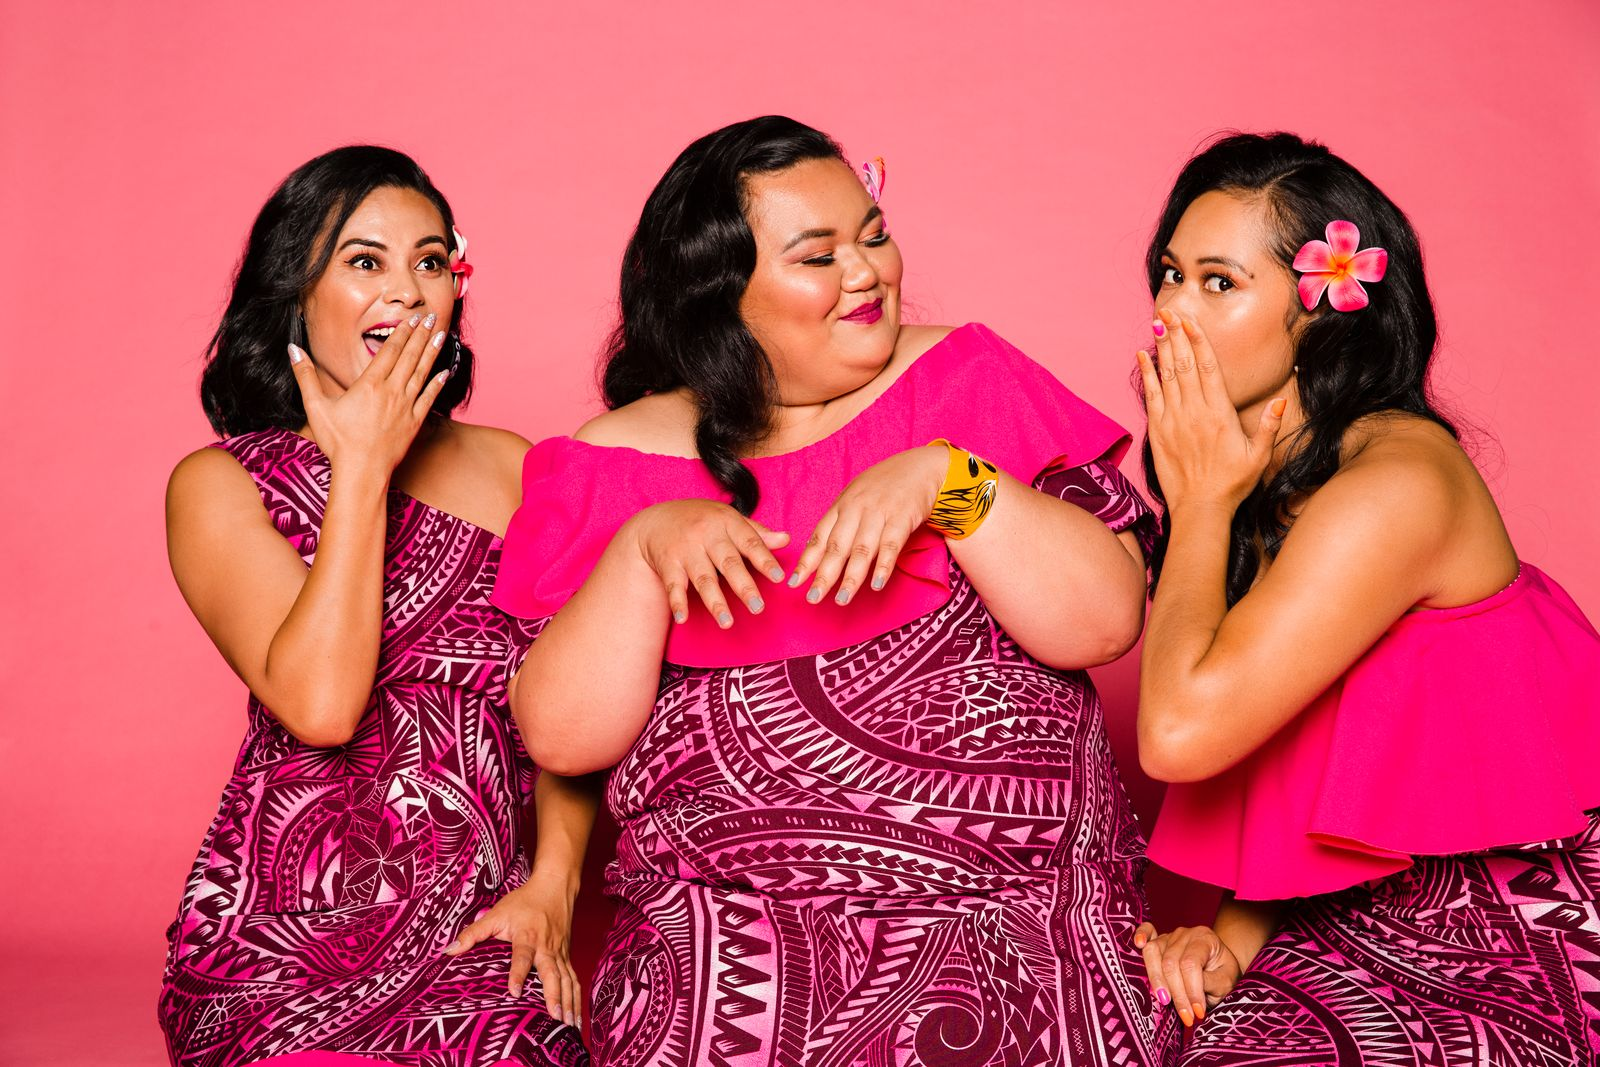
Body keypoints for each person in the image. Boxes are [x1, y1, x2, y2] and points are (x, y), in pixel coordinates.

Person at [480, 115, 1180, 1066]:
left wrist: (950, 481)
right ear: (720, 300)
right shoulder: (607, 465)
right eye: (820, 255)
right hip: (723, 964)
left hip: (1012, 941)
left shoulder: (965, 377)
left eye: (874, 235)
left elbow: (1105, 621)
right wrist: (642, 552)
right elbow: (561, 735)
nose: (869, 272)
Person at [1129, 132, 1600, 1065]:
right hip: (1359, 922)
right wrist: (1225, 942)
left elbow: (1179, 732)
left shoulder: (1397, 483)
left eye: (1218, 282)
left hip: (1521, 931)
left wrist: (1202, 506)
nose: (1172, 312)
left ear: (1326, 311)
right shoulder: (1288, 475)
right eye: (1170, 274)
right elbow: (1334, 772)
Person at [159, 145, 592, 1067]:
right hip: (281, 936)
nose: (408, 289)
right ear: (296, 294)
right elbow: (322, 704)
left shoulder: (518, 468)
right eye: (365, 262)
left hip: (486, 926)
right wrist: (360, 466)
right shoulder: (219, 484)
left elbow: (581, 709)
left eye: (431, 261)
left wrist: (552, 886)